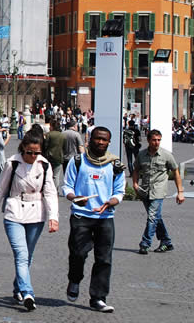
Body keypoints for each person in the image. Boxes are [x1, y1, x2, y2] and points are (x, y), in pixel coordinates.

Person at [0, 130, 59, 311]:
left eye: (37, 153)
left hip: (36, 213)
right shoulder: (12, 163)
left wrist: (53, 217)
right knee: (21, 254)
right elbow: (0, 189)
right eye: (29, 152)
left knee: (28, 255)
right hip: (14, 211)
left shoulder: (44, 165)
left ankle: (18, 287)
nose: (33, 156)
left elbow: (50, 192)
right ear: (23, 149)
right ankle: (28, 293)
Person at [62, 126, 125, 313]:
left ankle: (98, 297)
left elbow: (119, 192)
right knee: (78, 254)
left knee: (104, 258)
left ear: (108, 142)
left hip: (105, 217)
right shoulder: (78, 161)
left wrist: (111, 201)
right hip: (81, 216)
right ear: (90, 139)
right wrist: (74, 198)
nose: (100, 142)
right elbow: (67, 186)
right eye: (97, 138)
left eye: (104, 139)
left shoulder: (115, 165)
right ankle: (74, 279)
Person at [132, 129, 186, 254]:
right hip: (145, 190)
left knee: (152, 217)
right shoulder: (141, 155)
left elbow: (176, 172)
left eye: (159, 140)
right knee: (156, 217)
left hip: (159, 190)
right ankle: (166, 241)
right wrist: (135, 183)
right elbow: (136, 169)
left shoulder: (166, 155)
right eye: (154, 140)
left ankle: (145, 243)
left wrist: (180, 192)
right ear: (149, 140)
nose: (157, 143)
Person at [44, 116, 65, 195]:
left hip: (49, 157)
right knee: (56, 176)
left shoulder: (49, 135)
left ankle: (48, 189)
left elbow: (46, 146)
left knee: (48, 174)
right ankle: (55, 190)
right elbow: (64, 147)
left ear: (52, 126)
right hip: (59, 157)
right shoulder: (62, 135)